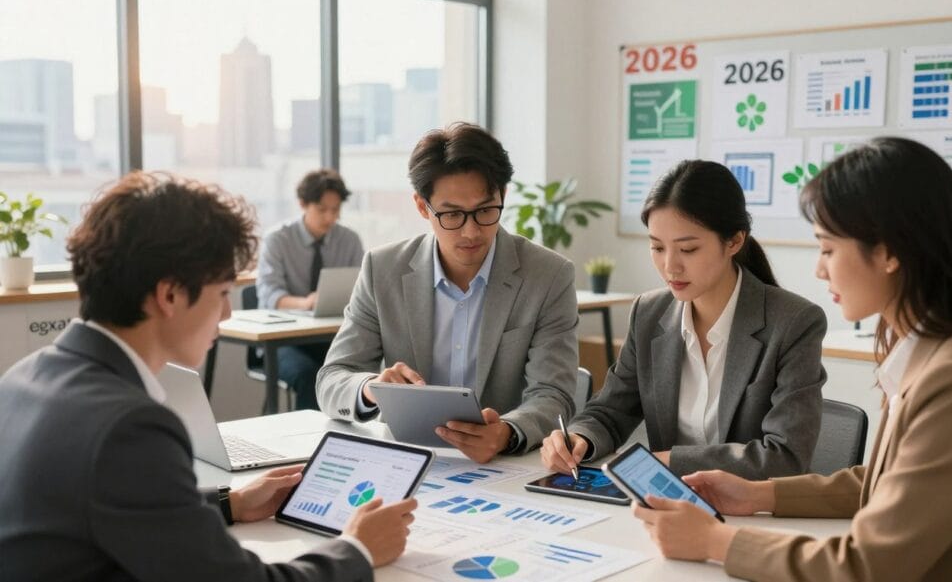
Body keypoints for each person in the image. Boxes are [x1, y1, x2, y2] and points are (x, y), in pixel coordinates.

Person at [632, 138, 952, 580]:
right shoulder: (929, 349)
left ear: (889, 251)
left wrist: (714, 541)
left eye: (827, 248)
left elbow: (867, 565)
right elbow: (883, 483)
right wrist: (758, 494)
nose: (819, 270)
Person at [0, 172, 415, 581]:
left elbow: (109, 504)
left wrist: (228, 503)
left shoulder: (24, 378)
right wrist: (357, 548)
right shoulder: (130, 427)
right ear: (170, 295)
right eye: (221, 294)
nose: (227, 313)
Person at [541, 159, 827, 480]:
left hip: (752, 511)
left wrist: (668, 461)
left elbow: (785, 456)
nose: (670, 266)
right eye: (657, 247)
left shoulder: (794, 323)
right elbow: (611, 410)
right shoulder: (649, 313)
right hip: (668, 504)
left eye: (688, 249)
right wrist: (579, 438)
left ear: (734, 241)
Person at [316, 122, 578, 464]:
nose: (471, 231)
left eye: (485, 211)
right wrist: (372, 388)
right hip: (407, 459)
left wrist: (507, 432)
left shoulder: (548, 275)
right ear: (423, 207)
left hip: (501, 465)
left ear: (503, 196)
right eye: (452, 214)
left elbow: (554, 393)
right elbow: (332, 378)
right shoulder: (383, 270)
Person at [257, 168, 365, 410]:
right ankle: (309, 444)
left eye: (335, 210)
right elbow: (269, 293)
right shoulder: (277, 239)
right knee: (310, 376)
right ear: (303, 204)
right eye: (322, 210)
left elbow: (362, 290)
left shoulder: (349, 240)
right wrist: (305, 303)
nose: (330, 218)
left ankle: (349, 439)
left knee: (357, 373)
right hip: (283, 343)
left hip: (330, 337)